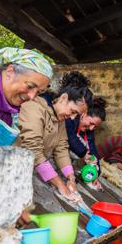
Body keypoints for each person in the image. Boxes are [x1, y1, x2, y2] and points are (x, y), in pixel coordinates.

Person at [18, 71, 93, 200]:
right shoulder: (34, 108)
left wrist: (71, 178)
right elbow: (33, 150)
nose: (73, 117)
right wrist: (59, 184)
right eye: (73, 111)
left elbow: (61, 148)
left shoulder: (59, 118)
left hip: (32, 169)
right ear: (63, 98)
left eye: (77, 115)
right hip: (14, 168)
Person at [65, 97, 107, 190]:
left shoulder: (88, 132)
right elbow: (71, 139)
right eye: (91, 123)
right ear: (84, 114)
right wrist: (84, 154)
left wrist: (95, 173)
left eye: (95, 126)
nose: (91, 128)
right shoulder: (70, 122)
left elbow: (92, 151)